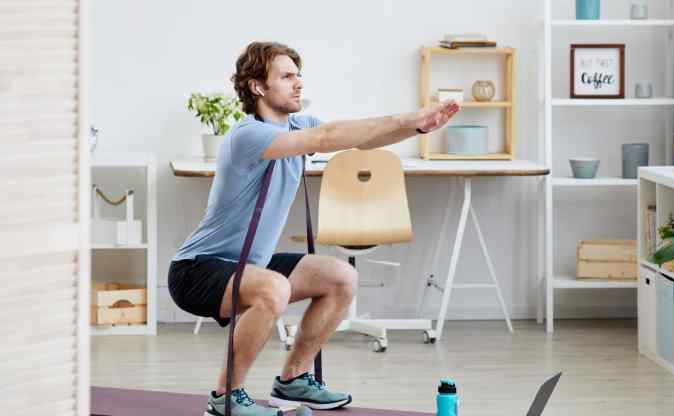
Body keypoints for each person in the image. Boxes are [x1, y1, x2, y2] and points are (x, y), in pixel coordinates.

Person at [168, 41, 460, 416]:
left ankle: (293, 381)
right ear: (258, 87)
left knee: (340, 277)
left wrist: (417, 126)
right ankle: (225, 397)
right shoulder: (247, 135)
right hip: (196, 269)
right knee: (275, 287)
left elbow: (362, 138)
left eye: (298, 75)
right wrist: (407, 117)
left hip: (248, 266)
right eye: (287, 76)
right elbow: (325, 139)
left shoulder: (297, 125)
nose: (298, 83)